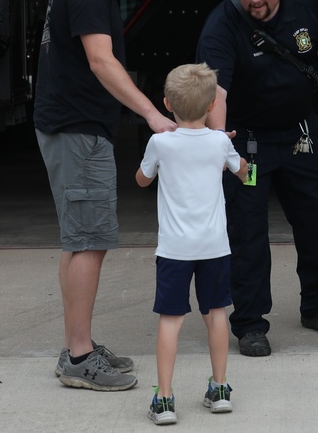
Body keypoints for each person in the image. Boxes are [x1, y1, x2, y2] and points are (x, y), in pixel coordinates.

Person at [35, 0, 177, 391]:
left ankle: (79, 346)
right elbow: (102, 62)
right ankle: (78, 358)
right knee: (90, 242)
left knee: (79, 240)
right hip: (77, 130)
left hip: (72, 127)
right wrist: (152, 115)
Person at [196, 0, 318, 358]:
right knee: (247, 232)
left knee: (317, 219)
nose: (256, 0)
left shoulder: (303, 2)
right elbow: (217, 92)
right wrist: (220, 146)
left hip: (301, 134)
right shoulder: (222, 24)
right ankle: (249, 323)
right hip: (248, 143)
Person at [136, 63, 248, 424]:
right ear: (213, 103)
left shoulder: (159, 142)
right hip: (214, 247)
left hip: (174, 250)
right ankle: (219, 389)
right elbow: (243, 172)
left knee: (171, 320)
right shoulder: (219, 142)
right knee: (216, 314)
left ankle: (165, 399)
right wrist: (233, 154)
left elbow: (141, 180)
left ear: (167, 103)